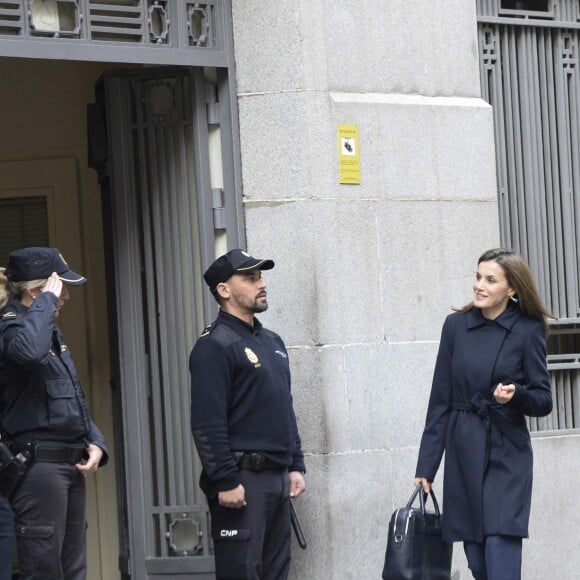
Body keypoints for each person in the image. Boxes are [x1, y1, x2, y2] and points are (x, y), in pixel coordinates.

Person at [414, 248, 553, 580]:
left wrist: (516, 395)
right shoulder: (455, 327)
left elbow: (543, 399)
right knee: (478, 562)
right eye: (478, 277)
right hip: (464, 450)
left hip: (506, 453)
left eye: (491, 280)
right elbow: (439, 402)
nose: (479, 285)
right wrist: (426, 466)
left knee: (500, 553)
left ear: (512, 289)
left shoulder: (527, 329)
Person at [189, 249, 306, 580]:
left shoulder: (273, 342)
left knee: (275, 573)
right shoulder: (215, 345)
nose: (261, 283)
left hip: (277, 478)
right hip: (242, 481)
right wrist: (225, 478)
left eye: (261, 276)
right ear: (224, 290)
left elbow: (284, 406)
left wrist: (295, 464)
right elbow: (206, 422)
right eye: (250, 278)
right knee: (241, 572)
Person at [0, 247, 108, 580]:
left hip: (69, 463)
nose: (67, 298)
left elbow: (72, 392)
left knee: (73, 568)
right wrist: (46, 302)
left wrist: (95, 440)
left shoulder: (45, 329)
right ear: (37, 290)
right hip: (39, 466)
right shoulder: (13, 328)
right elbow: (28, 354)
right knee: (44, 569)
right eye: (63, 289)